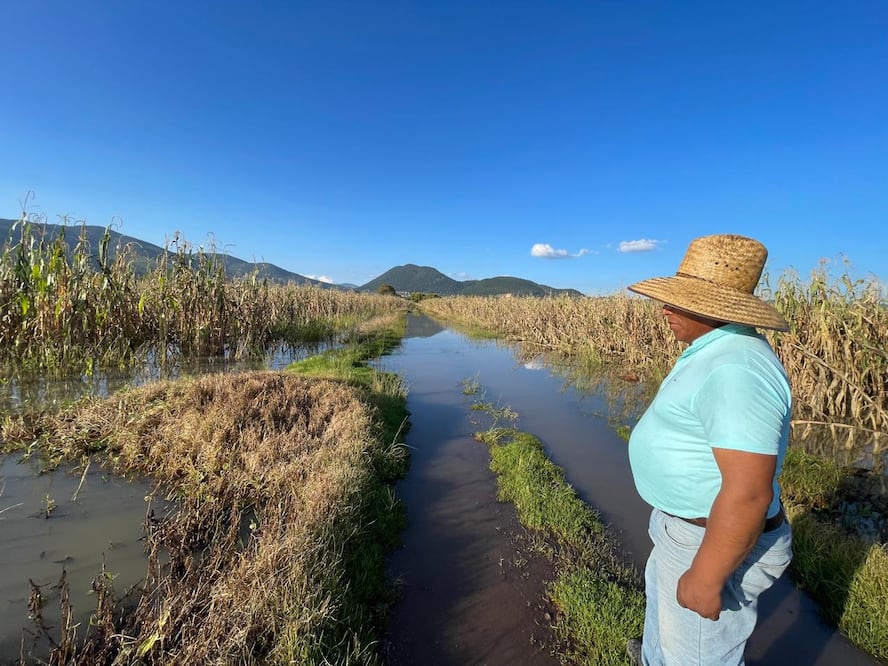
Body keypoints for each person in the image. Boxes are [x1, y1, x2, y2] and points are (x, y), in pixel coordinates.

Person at [625, 234, 794, 666]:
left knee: (697, 657)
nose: (664, 309)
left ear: (714, 308)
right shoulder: (714, 350)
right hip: (684, 528)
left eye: (678, 301)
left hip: (710, 541)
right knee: (664, 634)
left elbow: (749, 492)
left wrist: (707, 574)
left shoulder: (738, 367)